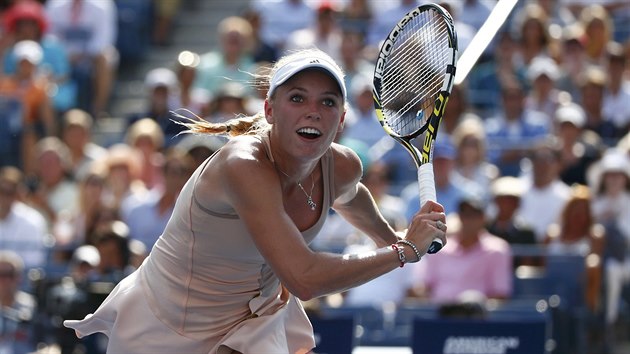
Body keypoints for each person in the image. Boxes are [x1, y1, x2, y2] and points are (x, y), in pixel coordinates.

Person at [63, 48, 447, 353]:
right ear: (269, 109)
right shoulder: (242, 165)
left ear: (342, 118)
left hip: (254, 321)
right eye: (297, 98)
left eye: (328, 102)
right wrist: (403, 250)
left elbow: (350, 196)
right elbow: (305, 279)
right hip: (170, 326)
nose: (313, 110)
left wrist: (389, 237)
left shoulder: (342, 166)